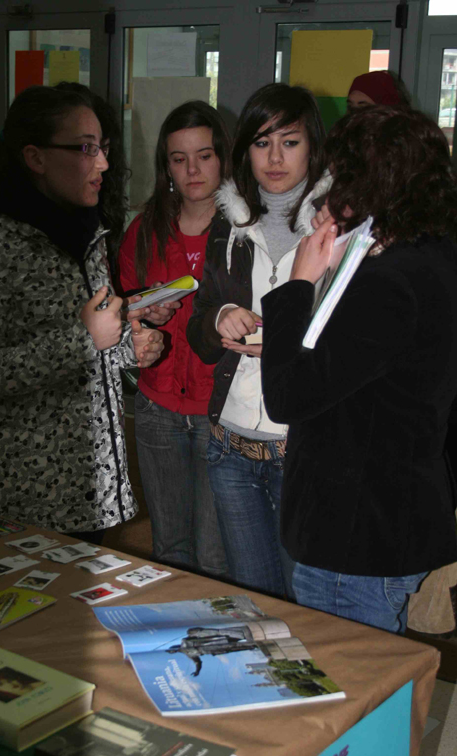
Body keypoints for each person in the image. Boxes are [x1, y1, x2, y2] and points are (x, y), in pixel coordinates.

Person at [260, 105, 457, 637]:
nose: (331, 190)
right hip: (389, 515)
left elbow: (288, 396)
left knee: (346, 677)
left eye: (342, 175)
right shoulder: (433, 253)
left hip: (356, 532)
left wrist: (297, 285)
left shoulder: (388, 282)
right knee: (374, 674)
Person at [0, 84, 163, 543]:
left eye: (103, 148)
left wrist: (129, 345)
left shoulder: (89, 234)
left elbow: (93, 340)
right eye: (86, 149)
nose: (103, 164)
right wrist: (86, 338)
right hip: (21, 495)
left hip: (89, 487)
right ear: (36, 157)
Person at [187, 83, 331, 599]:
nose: (274, 158)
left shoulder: (335, 229)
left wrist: (290, 343)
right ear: (245, 149)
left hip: (302, 449)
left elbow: (357, 342)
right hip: (229, 444)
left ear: (312, 147)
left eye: (289, 142)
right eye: (262, 142)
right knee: (254, 601)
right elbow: (198, 326)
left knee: (305, 602)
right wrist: (220, 316)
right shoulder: (227, 222)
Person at [119, 101, 231, 576]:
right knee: (169, 548)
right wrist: (143, 314)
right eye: (179, 159)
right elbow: (124, 312)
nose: (192, 170)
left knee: (213, 555)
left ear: (223, 157)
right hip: (157, 407)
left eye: (204, 156)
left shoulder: (241, 232)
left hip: (219, 411)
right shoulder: (145, 229)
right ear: (165, 166)